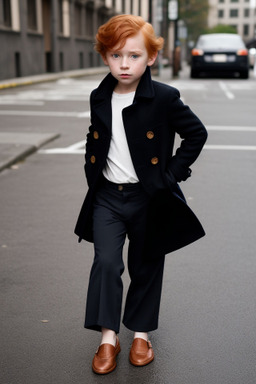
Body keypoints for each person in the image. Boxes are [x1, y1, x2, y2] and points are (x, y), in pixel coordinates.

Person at [75, 14, 208, 375]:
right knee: (105, 262)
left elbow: (196, 134)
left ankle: (141, 333)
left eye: (134, 56)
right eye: (116, 55)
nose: (124, 64)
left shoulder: (163, 97)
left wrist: (171, 176)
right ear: (105, 57)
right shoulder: (99, 95)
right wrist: (92, 166)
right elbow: (96, 134)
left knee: (146, 265)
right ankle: (107, 337)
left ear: (150, 58)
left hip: (149, 197)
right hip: (106, 196)